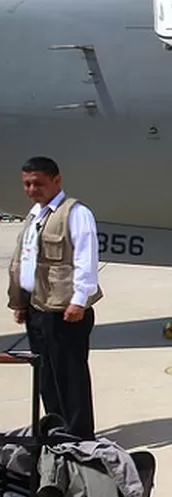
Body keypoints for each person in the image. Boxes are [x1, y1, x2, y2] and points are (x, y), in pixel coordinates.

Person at [6, 156, 101, 440]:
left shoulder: (75, 212)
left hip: (66, 309)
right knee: (46, 375)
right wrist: (21, 303)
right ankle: (57, 428)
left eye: (38, 183)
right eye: (27, 184)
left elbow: (86, 257)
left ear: (57, 180)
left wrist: (79, 299)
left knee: (69, 376)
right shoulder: (35, 215)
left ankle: (79, 435)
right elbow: (26, 261)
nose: (32, 189)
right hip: (37, 308)